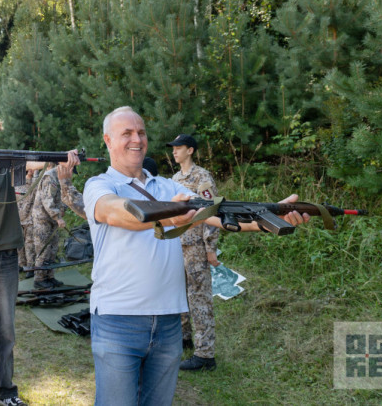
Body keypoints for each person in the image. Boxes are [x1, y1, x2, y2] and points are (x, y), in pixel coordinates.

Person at [83, 106, 310, 406]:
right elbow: (115, 212)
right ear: (108, 140)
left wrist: (270, 218)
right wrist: (169, 216)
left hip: (167, 323)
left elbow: (218, 214)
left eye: (141, 132)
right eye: (126, 133)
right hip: (118, 320)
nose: (136, 139)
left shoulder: (168, 186)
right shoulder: (99, 185)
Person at [0, 111, 78, 406]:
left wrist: (61, 158)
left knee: (6, 329)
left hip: (8, 255)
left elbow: (35, 161)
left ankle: (6, 392)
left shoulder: (10, 163)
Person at [167, 134, 220, 371]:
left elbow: (212, 213)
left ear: (190, 150)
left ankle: (205, 355)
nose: (174, 152)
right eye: (173, 148)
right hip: (178, 244)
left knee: (199, 298)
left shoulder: (202, 177)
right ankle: (185, 337)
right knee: (180, 293)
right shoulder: (175, 178)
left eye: (178, 148)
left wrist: (210, 248)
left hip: (197, 246)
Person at [24, 163, 87, 289]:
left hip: (51, 220)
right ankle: (39, 279)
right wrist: (57, 217)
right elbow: (47, 200)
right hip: (43, 220)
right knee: (43, 250)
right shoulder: (49, 177)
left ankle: (49, 277)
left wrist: (62, 209)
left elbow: (60, 197)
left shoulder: (58, 177)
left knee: (52, 249)